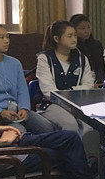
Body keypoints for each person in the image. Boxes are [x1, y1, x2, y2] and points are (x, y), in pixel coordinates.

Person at [36, 20, 100, 157]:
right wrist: (72, 94)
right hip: (52, 103)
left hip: (79, 102)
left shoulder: (82, 59)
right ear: (56, 39)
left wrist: (70, 91)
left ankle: (92, 159)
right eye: (69, 36)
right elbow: (48, 90)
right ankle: (72, 160)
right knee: (70, 124)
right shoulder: (45, 58)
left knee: (92, 125)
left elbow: (88, 85)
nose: (74, 39)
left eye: (75, 36)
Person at [0, 22, 54, 135]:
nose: (6, 41)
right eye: (1, 37)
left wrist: (24, 108)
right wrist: (0, 111)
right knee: (19, 131)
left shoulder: (14, 63)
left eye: (7, 37)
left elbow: (22, 90)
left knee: (46, 127)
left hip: (16, 110)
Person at [70, 14, 105, 86]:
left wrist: (100, 81)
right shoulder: (72, 47)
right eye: (82, 28)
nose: (87, 31)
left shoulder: (96, 45)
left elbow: (101, 65)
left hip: (98, 81)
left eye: (88, 27)